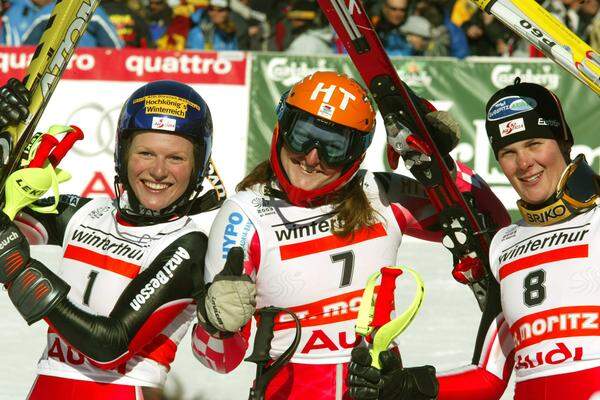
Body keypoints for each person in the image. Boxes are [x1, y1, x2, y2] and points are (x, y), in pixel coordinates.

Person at [190, 71, 510, 399]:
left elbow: (491, 224)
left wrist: (443, 166)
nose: (312, 158)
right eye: (303, 137)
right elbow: (217, 361)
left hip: (375, 387)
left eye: (333, 147)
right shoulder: (244, 215)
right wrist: (217, 326)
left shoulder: (381, 195)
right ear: (282, 130)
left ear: (355, 153)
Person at [346, 79, 600, 400]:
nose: (524, 164)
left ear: (563, 142)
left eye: (535, 144)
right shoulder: (505, 245)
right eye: (509, 152)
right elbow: (488, 375)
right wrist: (408, 386)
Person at [0, 79, 234, 399]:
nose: (158, 170)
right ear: (123, 154)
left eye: (176, 158)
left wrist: (16, 267)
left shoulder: (189, 245)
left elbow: (109, 347)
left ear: (198, 167)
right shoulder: (82, 212)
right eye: (146, 153)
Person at [3, 0, 123, 48]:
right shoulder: (46, 13)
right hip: (54, 79)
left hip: (91, 76)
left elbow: (115, 50)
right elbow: (24, 53)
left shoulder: (93, 12)